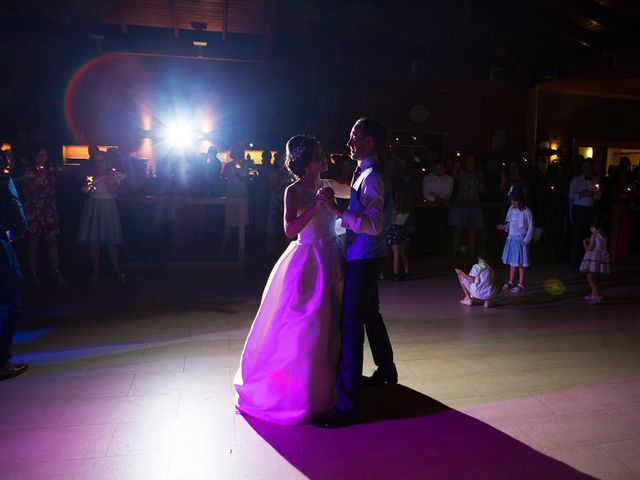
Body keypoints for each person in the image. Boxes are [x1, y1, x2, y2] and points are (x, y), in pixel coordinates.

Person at [234, 135, 347, 425]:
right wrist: (315, 208)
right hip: (309, 259)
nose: (324, 159)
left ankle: (332, 381)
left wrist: (336, 205)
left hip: (332, 254)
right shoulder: (293, 191)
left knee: (333, 321)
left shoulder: (327, 185)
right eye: (318, 155)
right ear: (304, 162)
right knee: (308, 324)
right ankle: (304, 388)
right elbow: (289, 230)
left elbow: (347, 204)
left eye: (322, 154)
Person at [313, 117, 396, 428]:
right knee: (370, 313)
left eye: (354, 136)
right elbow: (364, 209)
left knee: (350, 323)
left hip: (364, 256)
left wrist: (337, 212)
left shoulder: (372, 176)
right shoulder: (366, 173)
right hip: (367, 255)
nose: (349, 142)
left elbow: (374, 225)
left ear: (369, 141)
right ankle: (386, 370)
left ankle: (347, 405)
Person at [76, 151, 126, 284]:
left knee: (111, 240)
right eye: (97, 161)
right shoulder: (90, 176)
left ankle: (116, 268)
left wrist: (110, 182)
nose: (99, 164)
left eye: (102, 161)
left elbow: (115, 191)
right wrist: (86, 188)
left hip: (108, 207)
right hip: (93, 206)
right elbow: (86, 190)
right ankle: (96, 270)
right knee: (94, 240)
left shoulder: (113, 175)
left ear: (107, 162)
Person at [0, 152, 28, 380]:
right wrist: (14, 232)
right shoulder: (2, 177)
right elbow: (17, 217)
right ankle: (1, 363)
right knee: (9, 302)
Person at [21, 147, 64, 286]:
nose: (42, 157)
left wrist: (55, 212)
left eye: (44, 155)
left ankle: (55, 271)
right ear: (34, 156)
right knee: (34, 242)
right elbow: (26, 190)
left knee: (52, 240)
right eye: (39, 155)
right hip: (33, 210)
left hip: (48, 210)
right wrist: (37, 179)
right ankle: (33, 274)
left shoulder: (50, 172)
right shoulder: (28, 172)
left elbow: (52, 193)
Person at [497, 187, 534, 293]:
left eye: (515, 200)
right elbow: (510, 223)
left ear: (521, 200)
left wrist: (527, 239)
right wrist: (504, 227)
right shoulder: (511, 209)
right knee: (513, 262)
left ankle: (521, 284)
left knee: (521, 262)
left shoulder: (527, 211)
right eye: (512, 200)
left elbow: (531, 226)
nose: (513, 202)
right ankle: (510, 281)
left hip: (521, 239)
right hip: (511, 239)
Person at [448, 154, 484, 257]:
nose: (470, 162)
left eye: (472, 160)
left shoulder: (479, 174)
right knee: (458, 228)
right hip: (461, 200)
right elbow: (453, 177)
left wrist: (478, 188)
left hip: (474, 201)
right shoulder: (461, 172)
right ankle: (453, 253)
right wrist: (455, 167)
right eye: (468, 160)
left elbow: (482, 189)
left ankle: (472, 254)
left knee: (472, 229)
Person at [569, 158, 601, 266]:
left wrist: (592, 194)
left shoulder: (595, 180)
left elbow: (599, 194)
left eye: (589, 166)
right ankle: (574, 260)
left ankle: (586, 260)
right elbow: (571, 195)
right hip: (579, 209)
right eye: (585, 166)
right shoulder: (576, 180)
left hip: (590, 210)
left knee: (589, 234)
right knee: (578, 234)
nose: (587, 168)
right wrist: (581, 194)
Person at [580, 217, 610, 304]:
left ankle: (597, 297)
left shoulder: (593, 236)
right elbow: (598, 243)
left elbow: (590, 249)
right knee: (595, 278)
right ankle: (594, 294)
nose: (591, 229)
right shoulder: (604, 236)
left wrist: (585, 244)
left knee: (590, 278)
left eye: (592, 227)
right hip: (600, 260)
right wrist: (591, 240)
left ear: (598, 228)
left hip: (593, 260)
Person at [387, 193, 411, 281]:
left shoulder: (396, 209)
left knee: (396, 253)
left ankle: (395, 274)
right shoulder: (407, 209)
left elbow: (391, 220)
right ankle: (406, 271)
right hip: (402, 229)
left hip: (394, 229)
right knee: (403, 252)